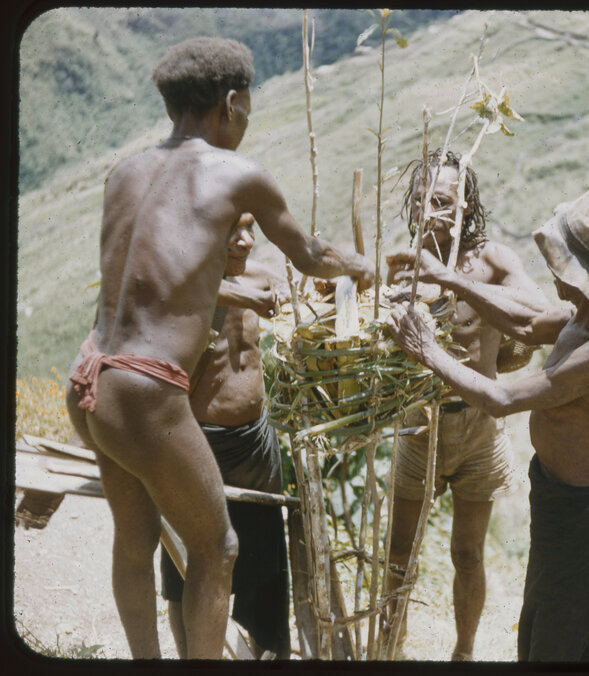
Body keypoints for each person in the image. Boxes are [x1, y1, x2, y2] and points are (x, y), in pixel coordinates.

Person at [64, 37, 374, 659]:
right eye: (249, 107)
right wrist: (362, 267)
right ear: (231, 103)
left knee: (136, 537)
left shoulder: (125, 172)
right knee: (219, 549)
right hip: (147, 390)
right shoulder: (236, 173)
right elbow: (312, 258)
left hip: (90, 375)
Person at [386, 182, 589, 661]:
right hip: (564, 501)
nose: (553, 273)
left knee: (561, 642)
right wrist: (450, 281)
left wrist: (426, 349)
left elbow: (499, 398)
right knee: (553, 629)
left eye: (560, 264)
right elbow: (528, 326)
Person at [382, 148, 549, 661]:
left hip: (480, 428)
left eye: (442, 201)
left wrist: (463, 284)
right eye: (423, 199)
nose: (431, 211)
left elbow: (542, 310)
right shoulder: (402, 264)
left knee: (467, 553)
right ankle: (390, 646)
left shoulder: (492, 259)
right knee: (398, 554)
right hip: (419, 426)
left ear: (466, 201)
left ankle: (464, 653)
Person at [159, 214, 291, 659]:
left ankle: (263, 654)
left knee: (264, 560)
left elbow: (301, 294)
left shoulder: (260, 281)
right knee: (188, 560)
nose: (245, 240)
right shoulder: (187, 289)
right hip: (198, 443)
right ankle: (190, 658)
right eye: (230, 229)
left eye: (250, 227)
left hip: (254, 443)